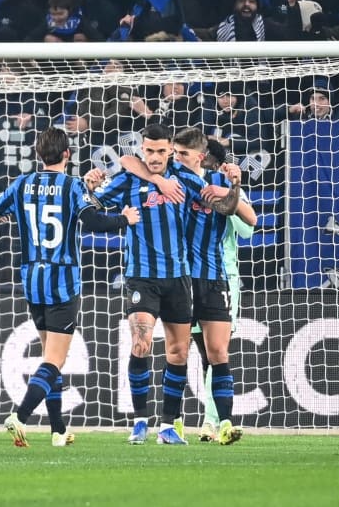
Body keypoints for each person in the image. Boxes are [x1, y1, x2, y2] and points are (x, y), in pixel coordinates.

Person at [83, 123, 241, 445]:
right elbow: (92, 207)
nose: (154, 157)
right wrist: (90, 186)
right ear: (142, 150)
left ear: (170, 150)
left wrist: (233, 186)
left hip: (179, 278)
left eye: (160, 151)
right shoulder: (129, 179)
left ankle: (168, 426)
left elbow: (224, 208)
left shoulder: (186, 179)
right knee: (141, 344)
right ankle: (140, 421)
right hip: (142, 275)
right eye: (149, 151)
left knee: (178, 352)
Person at [0, 128, 139, 448]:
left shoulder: (21, 184)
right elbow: (92, 221)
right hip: (62, 280)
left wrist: (4, 217)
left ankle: (58, 430)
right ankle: (20, 416)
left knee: (49, 358)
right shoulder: (71, 186)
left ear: (38, 154)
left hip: (31, 280)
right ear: (67, 154)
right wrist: (125, 219)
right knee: (54, 359)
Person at [192, 139, 256, 443]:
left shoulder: (229, 187)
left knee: (216, 352)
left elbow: (247, 229)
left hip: (224, 277)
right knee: (202, 353)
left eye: (202, 157)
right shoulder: (186, 184)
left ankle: (211, 421)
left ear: (213, 162)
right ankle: (193, 421)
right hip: (191, 276)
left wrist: (229, 194)